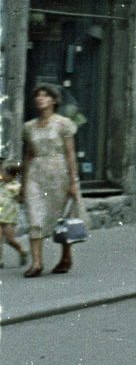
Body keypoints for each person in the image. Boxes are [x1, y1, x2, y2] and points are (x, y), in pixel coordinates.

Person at [21, 83, 83, 275]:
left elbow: (70, 154)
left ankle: (66, 256)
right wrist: (23, 183)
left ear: (54, 101)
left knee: (60, 218)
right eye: (38, 96)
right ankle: (36, 263)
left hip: (58, 173)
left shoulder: (63, 123)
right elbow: (28, 155)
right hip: (35, 174)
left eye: (45, 96)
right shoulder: (29, 127)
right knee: (35, 216)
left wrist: (73, 181)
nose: (40, 99)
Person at [0, 159, 26, 266]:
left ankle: (22, 251)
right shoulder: (1, 185)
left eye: (3, 172)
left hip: (10, 217)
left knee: (9, 240)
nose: (0, 174)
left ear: (11, 175)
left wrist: (21, 196)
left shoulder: (15, 186)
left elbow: (21, 199)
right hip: (0, 216)